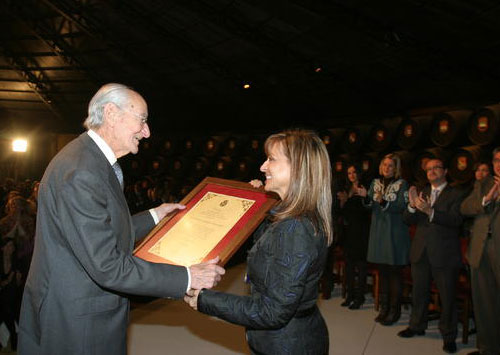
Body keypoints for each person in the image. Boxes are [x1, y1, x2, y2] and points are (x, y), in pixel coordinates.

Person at [18, 83, 225, 355]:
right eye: (142, 120)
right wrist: (187, 277)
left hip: (77, 310)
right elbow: (107, 266)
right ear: (112, 114)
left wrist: (155, 215)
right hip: (77, 323)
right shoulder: (82, 171)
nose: (147, 132)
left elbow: (99, 229)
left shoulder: (89, 159)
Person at [185, 129, 332, 355]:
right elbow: (268, 250)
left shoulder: (295, 228)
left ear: (298, 168)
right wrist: (257, 204)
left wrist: (205, 300)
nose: (263, 167)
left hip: (287, 345)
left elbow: (272, 312)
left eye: (271, 159)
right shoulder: (295, 217)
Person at [399, 158, 465, 354]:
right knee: (419, 293)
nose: (432, 171)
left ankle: (449, 336)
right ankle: (417, 326)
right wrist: (412, 206)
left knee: (447, 297)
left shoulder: (457, 194)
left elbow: (456, 220)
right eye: (428, 169)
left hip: (444, 254)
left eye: (436, 167)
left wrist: (430, 211)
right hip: (421, 251)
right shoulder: (423, 192)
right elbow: (407, 220)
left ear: (445, 171)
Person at [358, 153, 410, 326]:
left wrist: (382, 202)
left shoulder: (402, 184)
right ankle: (384, 308)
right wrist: (366, 196)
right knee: (383, 272)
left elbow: (402, 207)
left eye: (391, 166)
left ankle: (394, 311)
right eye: (385, 165)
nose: (387, 168)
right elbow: (370, 206)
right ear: (380, 166)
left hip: (394, 233)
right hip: (379, 232)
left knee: (394, 273)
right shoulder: (375, 183)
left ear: (396, 168)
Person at [460, 150, 500, 355]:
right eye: (496, 160)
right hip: (481, 249)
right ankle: (487, 349)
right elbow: (465, 207)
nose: (499, 164)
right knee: (484, 303)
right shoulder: (484, 183)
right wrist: (485, 199)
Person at [337, 164, 370, 309]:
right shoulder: (346, 189)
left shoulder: (364, 189)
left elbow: (366, 211)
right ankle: (350, 295)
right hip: (349, 233)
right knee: (349, 267)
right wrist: (343, 202)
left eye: (354, 172)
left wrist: (355, 199)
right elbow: (343, 213)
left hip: (362, 232)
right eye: (349, 173)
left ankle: (359, 297)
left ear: (359, 173)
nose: (351, 175)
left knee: (361, 267)